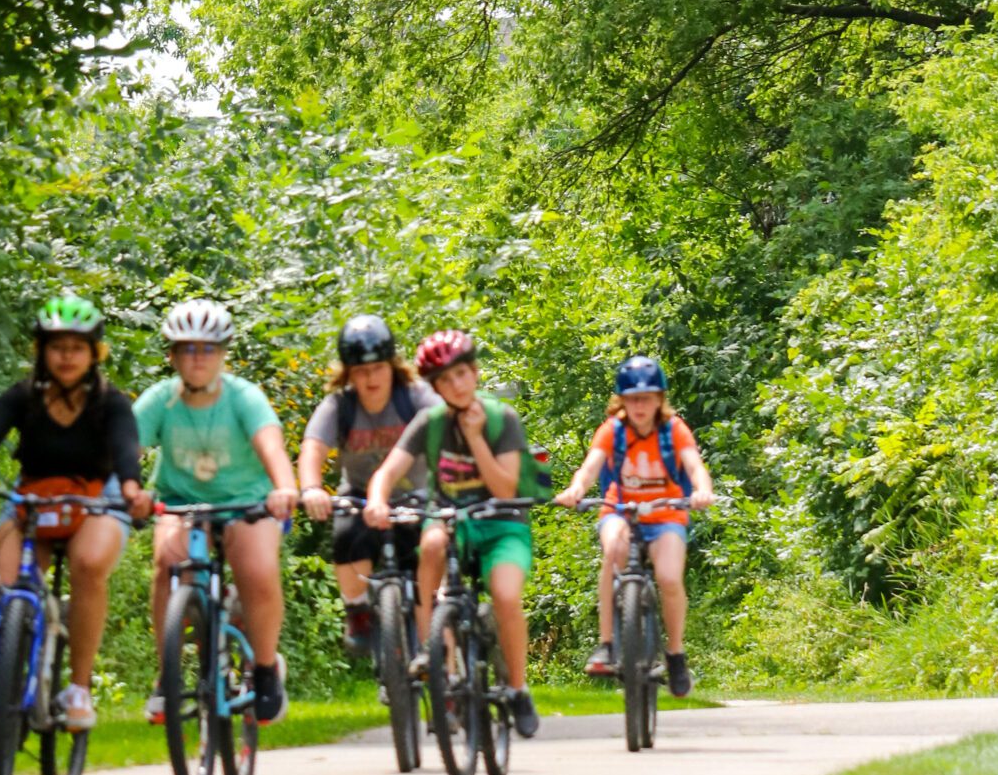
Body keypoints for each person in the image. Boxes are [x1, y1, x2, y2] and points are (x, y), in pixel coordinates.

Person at [0, 292, 149, 731]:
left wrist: (132, 489)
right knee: (1, 586)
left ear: (94, 354)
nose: (67, 356)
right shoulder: (22, 397)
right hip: (34, 499)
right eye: (57, 347)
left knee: (88, 565)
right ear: (41, 351)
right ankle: (3, 678)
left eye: (77, 347)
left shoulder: (111, 402)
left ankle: (78, 689)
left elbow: (125, 451)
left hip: (97, 498)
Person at [364, 328, 541, 739]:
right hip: (449, 519)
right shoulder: (430, 424)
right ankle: (434, 652)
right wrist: (376, 500)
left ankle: (518, 689)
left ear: (474, 372)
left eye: (461, 374)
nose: (456, 385)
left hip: (502, 523)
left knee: (506, 595)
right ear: (435, 387)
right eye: (445, 380)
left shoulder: (501, 419)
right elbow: (388, 471)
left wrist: (476, 438)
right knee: (430, 545)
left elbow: (505, 488)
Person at [135, 296, 300, 727]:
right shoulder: (160, 400)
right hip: (181, 501)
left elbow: (271, 446)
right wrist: (127, 488)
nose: (198, 358)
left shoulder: (244, 397)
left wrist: (285, 487)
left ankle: (265, 669)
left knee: (257, 571)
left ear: (223, 353)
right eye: (187, 349)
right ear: (172, 355)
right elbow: (124, 450)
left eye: (208, 349)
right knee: (168, 565)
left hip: (247, 501)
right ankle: (168, 676)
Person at [555, 355, 715, 698]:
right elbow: (590, 467)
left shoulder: (674, 430)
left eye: (647, 398)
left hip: (666, 513)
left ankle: (675, 654)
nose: (639, 406)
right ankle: (607, 645)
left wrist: (702, 490)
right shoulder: (613, 430)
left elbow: (694, 466)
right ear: (622, 401)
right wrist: (575, 490)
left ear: (659, 399)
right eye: (632, 399)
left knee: (669, 577)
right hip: (622, 510)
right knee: (613, 551)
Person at [297, 315, 434, 657]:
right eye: (361, 371)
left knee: (430, 554)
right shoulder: (339, 406)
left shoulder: (414, 397)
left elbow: (448, 426)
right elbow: (313, 448)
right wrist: (311, 488)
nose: (371, 378)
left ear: (392, 366)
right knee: (345, 535)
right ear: (348, 374)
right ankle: (357, 610)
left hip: (416, 495)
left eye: (377, 368)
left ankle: (437, 636)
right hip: (358, 497)